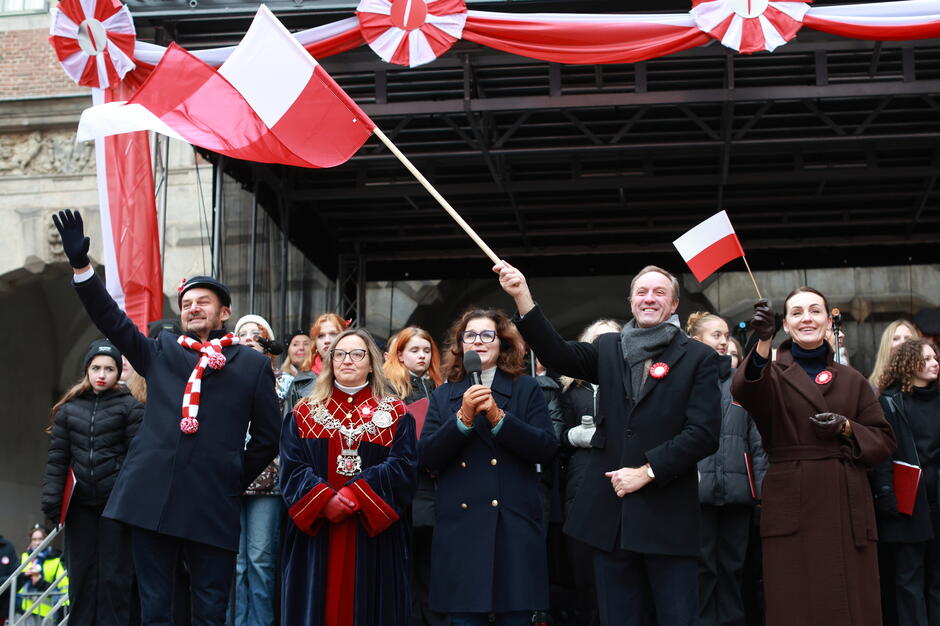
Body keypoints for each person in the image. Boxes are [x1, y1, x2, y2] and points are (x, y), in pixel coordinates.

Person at [51, 209, 280, 625]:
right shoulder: (161, 351)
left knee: (210, 606)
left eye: (203, 303)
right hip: (151, 495)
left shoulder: (251, 365)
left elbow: (268, 437)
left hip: (213, 500)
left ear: (223, 312)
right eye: (187, 304)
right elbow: (112, 321)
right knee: (155, 605)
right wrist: (82, 267)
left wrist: (230, 475)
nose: (193, 309)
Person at [495, 261, 721, 626]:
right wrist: (522, 295)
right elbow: (557, 354)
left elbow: (704, 433)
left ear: (674, 304)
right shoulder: (609, 347)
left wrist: (648, 471)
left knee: (677, 617)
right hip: (612, 521)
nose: (649, 299)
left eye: (659, 292)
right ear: (631, 301)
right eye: (642, 292)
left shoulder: (699, 358)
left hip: (667, 519)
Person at [732, 288, 896, 626]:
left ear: (827, 320)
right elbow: (745, 388)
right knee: (795, 602)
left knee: (851, 605)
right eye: (796, 313)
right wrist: (762, 342)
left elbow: (884, 441)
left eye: (815, 311)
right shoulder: (772, 373)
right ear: (787, 325)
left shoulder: (853, 380)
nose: (807, 318)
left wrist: (848, 428)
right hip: (794, 498)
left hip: (845, 501)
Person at [419, 308, 559, 625]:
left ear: (502, 344)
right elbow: (427, 456)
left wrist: (499, 418)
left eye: (487, 335)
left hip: (512, 527)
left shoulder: (527, 389)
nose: (478, 342)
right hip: (462, 531)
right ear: (461, 345)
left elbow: (546, 448)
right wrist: (463, 419)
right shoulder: (443, 396)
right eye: (470, 335)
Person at [279, 327, 417, 626]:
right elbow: (291, 468)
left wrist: (358, 495)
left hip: (375, 537)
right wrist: (324, 500)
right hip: (317, 533)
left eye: (357, 354)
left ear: (372, 362)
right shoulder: (303, 412)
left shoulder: (396, 413)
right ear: (329, 362)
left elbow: (404, 467)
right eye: (339, 354)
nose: (347, 360)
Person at [40, 339, 143, 626]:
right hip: (80, 508)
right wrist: (51, 500)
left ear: (118, 372)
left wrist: (127, 498)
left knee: (115, 578)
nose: (102, 374)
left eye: (109, 368)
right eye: (96, 367)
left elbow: (136, 459)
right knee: (81, 576)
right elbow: (58, 459)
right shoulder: (69, 410)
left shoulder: (130, 407)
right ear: (86, 370)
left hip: (116, 508)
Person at [686, 312, 768, 626]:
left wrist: (760, 491)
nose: (723, 341)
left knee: (733, 568)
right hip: (698, 493)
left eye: (725, 335)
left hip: (738, 494)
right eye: (715, 335)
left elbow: (757, 443)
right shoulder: (688, 382)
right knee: (703, 568)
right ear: (696, 340)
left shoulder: (740, 385)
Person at [871, 339, 940, 626]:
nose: (935, 362)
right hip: (907, 501)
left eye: (935, 356)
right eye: (927, 358)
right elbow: (883, 454)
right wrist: (887, 494)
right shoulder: (889, 402)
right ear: (908, 364)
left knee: (937, 578)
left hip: (937, 500)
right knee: (908, 578)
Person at [558, 318, 622, 626]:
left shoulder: (631, 382)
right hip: (580, 484)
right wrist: (574, 435)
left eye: (613, 339)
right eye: (599, 340)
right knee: (583, 573)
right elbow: (553, 435)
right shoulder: (570, 387)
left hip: (621, 484)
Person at [382, 326, 445, 626]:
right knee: (404, 570)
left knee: (433, 571)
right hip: (405, 488)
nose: (422, 356)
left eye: (426, 350)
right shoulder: (389, 389)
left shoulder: (441, 386)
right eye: (414, 350)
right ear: (400, 355)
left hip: (436, 488)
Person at [233, 315, 291, 626]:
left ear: (267, 343)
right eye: (243, 335)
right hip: (230, 478)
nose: (249, 339)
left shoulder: (284, 382)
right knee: (236, 563)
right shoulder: (224, 376)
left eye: (256, 335)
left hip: (268, 481)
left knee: (259, 561)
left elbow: (288, 432)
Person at [284, 313, 347, 412]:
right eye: (321, 336)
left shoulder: (360, 375)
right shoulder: (299, 383)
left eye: (333, 334)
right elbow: (289, 425)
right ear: (315, 343)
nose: (327, 340)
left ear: (346, 337)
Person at [17, 526, 68, 625]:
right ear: (30, 541)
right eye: (34, 539)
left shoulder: (56, 561)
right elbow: (13, 586)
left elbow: (62, 592)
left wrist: (40, 582)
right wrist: (24, 577)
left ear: (47, 540)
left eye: (41, 539)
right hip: (23, 612)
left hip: (47, 614)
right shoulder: (24, 558)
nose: (37, 542)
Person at [869, 320, 921, 391]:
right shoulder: (872, 388)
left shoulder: (926, 381)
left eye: (907, 338)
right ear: (886, 346)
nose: (902, 342)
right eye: (896, 339)